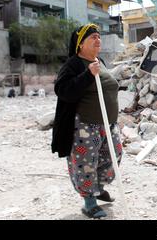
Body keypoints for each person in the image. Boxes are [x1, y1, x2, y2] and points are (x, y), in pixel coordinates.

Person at [51, 23, 122, 219]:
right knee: (86, 164)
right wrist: (87, 74)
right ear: (80, 44)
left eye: (99, 37)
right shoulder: (73, 64)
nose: (98, 40)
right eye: (93, 37)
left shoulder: (100, 61)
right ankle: (89, 202)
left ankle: (98, 188)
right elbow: (63, 90)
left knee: (112, 157)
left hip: (108, 123)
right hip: (84, 126)